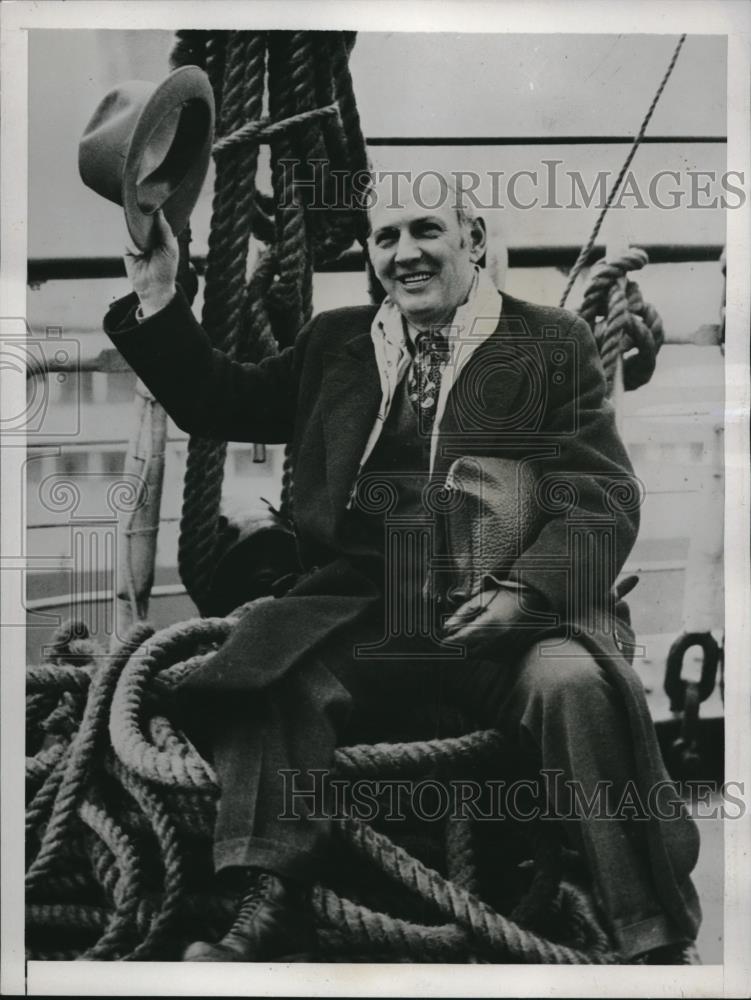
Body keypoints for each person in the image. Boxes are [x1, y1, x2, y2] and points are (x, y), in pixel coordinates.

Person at [103, 173, 702, 964]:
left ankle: (651, 939)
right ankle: (266, 901)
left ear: (474, 241)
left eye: (425, 231)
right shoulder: (334, 342)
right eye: (385, 238)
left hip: (504, 613)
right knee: (263, 671)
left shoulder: (550, 342)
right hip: (364, 611)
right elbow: (217, 400)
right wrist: (157, 294)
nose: (403, 253)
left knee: (577, 688)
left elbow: (603, 500)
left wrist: (522, 594)